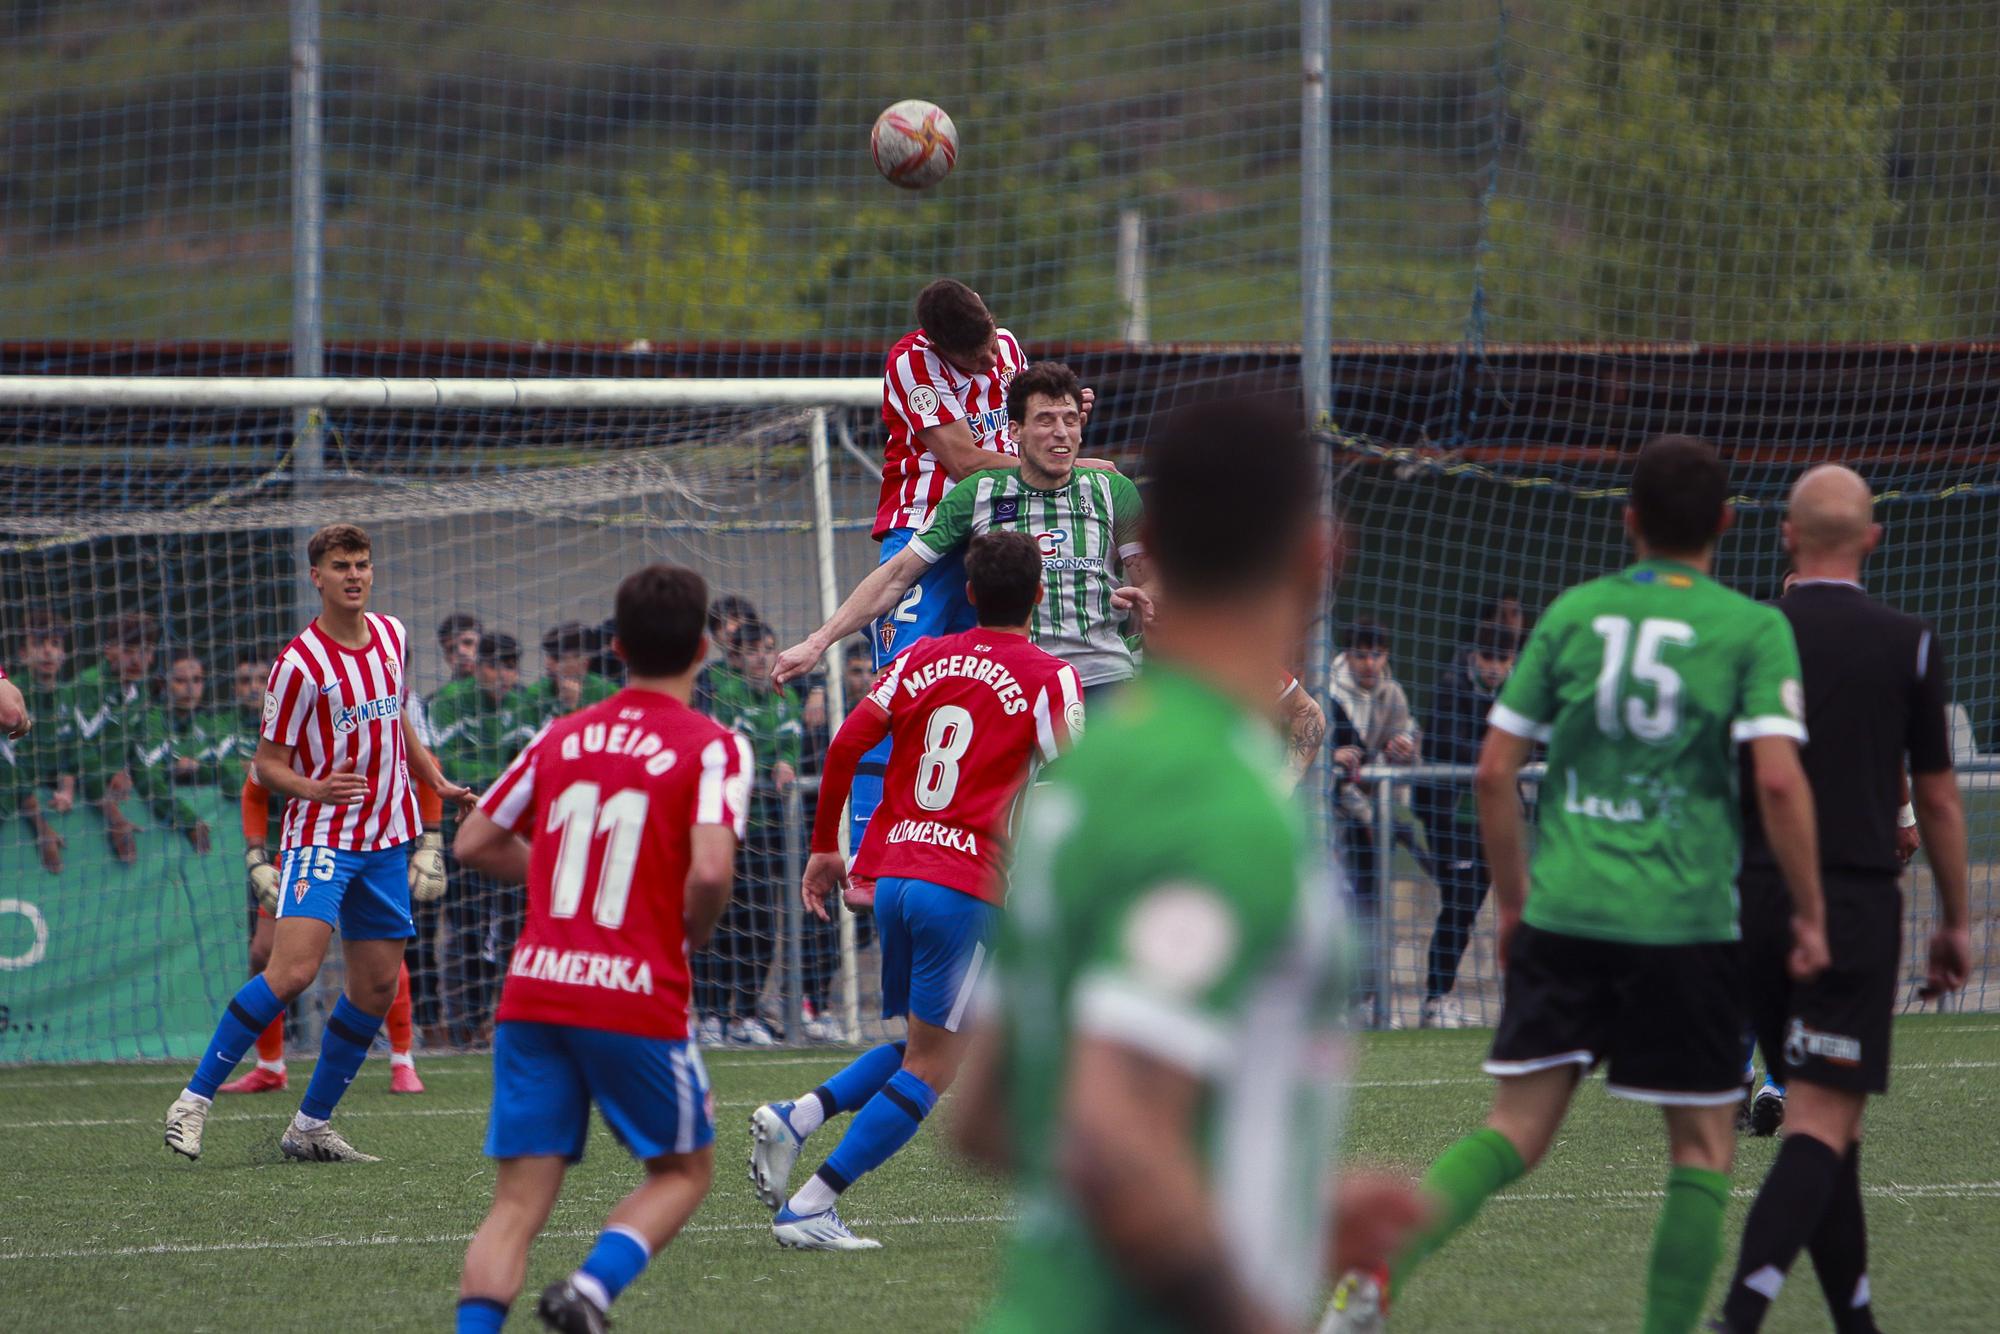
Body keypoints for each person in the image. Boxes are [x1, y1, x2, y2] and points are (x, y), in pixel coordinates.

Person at [1331, 435, 1831, 1334]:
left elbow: (1493, 772)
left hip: (1567, 907)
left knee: (1514, 1130)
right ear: (1725, 523)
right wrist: (1809, 909)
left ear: (1629, 520)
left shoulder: (1570, 616)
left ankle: (1379, 1265)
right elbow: (1783, 781)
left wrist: (1516, 906)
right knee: (1704, 1148)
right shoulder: (1756, 629)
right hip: (1686, 918)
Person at [952, 398, 1426, 1333]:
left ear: (1152, 540)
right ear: (1319, 555)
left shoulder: (1096, 767)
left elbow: (992, 1119)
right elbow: (1116, 1132)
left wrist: (1274, 1205)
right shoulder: (1218, 798)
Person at [748, 531, 1083, 1250]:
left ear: (965, 594)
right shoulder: (1050, 676)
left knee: (925, 1047)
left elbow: (843, 747)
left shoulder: (922, 656)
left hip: (894, 877)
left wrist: (823, 851)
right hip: (964, 886)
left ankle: (798, 1116)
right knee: (936, 1063)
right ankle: (812, 1204)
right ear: (1041, 596)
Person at [450, 563, 750, 1334]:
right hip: (631, 990)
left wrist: (554, 881)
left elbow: (475, 840)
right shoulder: (714, 745)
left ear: (615, 647)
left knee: (514, 1206)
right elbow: (712, 867)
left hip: (534, 990)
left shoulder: (560, 734)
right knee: (683, 1169)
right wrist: (691, 929)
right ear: (705, 648)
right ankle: (589, 1291)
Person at [1711, 466, 1971, 1334]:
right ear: (1873, 539)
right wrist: (1958, 919)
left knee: (1833, 1126)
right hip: (1850, 905)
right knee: (1821, 1120)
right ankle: (1738, 1315)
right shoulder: (1910, 642)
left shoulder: (1749, 635)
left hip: (1753, 897)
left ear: (1786, 537)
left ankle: (1856, 1320)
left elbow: (1722, 772)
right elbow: (1935, 798)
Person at [162, 523, 472, 1164]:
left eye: (362, 563)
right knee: (292, 971)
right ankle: (192, 1102)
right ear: (317, 577)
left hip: (389, 840)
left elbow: (396, 720)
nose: (354, 574)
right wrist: (313, 787)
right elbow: (265, 765)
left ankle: (309, 1126)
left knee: (376, 989)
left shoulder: (392, 637)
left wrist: (433, 776)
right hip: (324, 839)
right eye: (341, 565)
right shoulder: (298, 664)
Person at [774, 361, 1152, 710]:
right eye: (1046, 420)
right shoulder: (979, 492)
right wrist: (817, 642)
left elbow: (1152, 583)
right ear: (1015, 430)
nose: (1061, 433)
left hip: (1103, 678)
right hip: (1013, 685)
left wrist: (1148, 598)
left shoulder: (1112, 489)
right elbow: (896, 575)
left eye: (1070, 420)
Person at [693, 620, 802, 1047]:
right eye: (754, 649)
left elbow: (790, 743)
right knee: (720, 921)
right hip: (727, 828)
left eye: (769, 648)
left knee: (761, 924)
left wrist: (788, 761)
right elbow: (730, 745)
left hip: (766, 832)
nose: (762, 657)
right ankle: (711, 1014)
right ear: (736, 657)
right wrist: (761, 762)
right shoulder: (726, 694)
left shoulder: (786, 694)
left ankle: (746, 1013)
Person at [431, 631, 543, 1043]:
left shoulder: (527, 702)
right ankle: (468, 1022)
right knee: (468, 931)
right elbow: (449, 766)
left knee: (514, 929)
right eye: (496, 666)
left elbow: (531, 766)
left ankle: (507, 1019)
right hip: (462, 832)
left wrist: (499, 790)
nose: (504, 676)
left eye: (511, 667)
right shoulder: (449, 702)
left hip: (512, 838)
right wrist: (497, 787)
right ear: (479, 668)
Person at [1410, 615, 1521, 1028]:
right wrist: (1504, 749)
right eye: (1488, 657)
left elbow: (1537, 738)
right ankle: (1436, 999)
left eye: (1503, 658)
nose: (1494, 666)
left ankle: (1444, 996)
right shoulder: (1451, 685)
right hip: (1445, 811)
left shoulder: (1519, 689)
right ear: (1475, 655)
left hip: (1488, 814)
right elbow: (1447, 743)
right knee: (1457, 902)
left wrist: (1504, 752)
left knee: (1470, 903)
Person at [1328, 618, 1422, 1017]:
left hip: (1372, 810)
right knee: (1337, 905)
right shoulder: (1327, 689)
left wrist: (1406, 752)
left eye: (1377, 655)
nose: (1369, 663)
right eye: (1361, 654)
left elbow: (1406, 747)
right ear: (1347, 655)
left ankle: (1366, 999)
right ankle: (1337, 1000)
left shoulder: (1393, 693)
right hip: (1332, 811)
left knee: (1370, 904)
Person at [125, 647, 216, 855]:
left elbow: (222, 770)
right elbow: (148, 780)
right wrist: (190, 820)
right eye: (181, 681)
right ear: (163, 684)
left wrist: (198, 768)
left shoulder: (205, 725)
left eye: (197, 680)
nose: (190, 689)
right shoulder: (152, 721)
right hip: (147, 843)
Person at [534, 622, 617, 725]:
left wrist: (573, 707)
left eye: (557, 658)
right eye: (547, 656)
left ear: (584, 663)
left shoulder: (608, 693)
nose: (547, 664)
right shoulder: (535, 693)